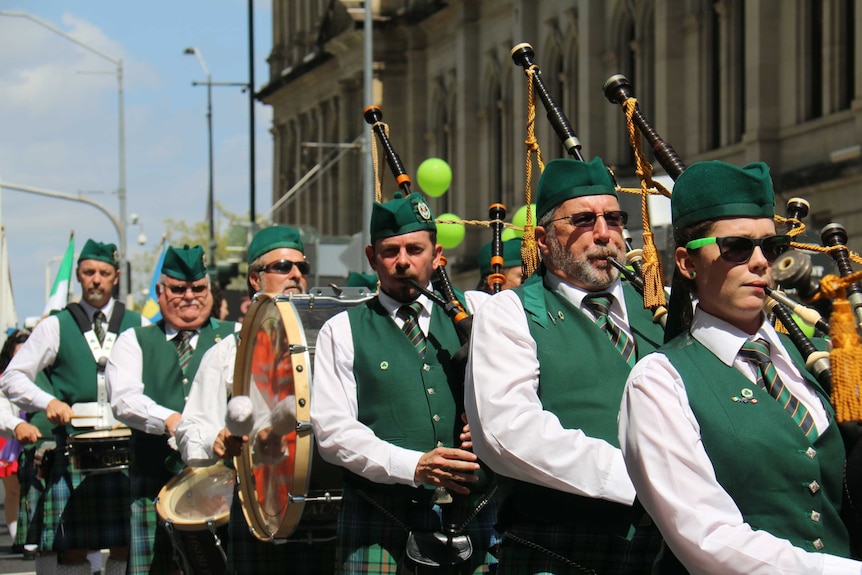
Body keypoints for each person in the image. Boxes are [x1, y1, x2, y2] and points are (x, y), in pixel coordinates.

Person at [617, 160, 862, 573]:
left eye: (771, 247)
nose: (761, 262)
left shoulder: (823, 360)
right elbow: (706, 537)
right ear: (686, 262)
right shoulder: (659, 381)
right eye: (736, 247)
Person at [464, 157, 666, 574]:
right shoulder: (511, 313)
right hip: (562, 545)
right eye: (583, 220)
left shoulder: (660, 308)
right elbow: (507, 433)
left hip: (673, 543)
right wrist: (642, 482)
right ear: (542, 238)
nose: (603, 233)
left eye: (613, 218)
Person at [312, 191, 498, 574]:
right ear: (371, 257)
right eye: (389, 251)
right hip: (379, 517)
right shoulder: (342, 330)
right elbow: (332, 431)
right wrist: (413, 465)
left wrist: (489, 427)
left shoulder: (481, 313)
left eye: (414, 249)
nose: (402, 262)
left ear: (437, 255)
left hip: (473, 512)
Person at [175, 225, 336, 573]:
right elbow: (189, 431)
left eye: (301, 268)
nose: (295, 274)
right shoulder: (229, 353)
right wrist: (215, 441)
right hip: (261, 510)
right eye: (281, 266)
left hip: (331, 508)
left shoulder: (332, 341)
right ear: (254, 279)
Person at [1, 239, 145, 575]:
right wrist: (46, 401)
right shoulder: (56, 325)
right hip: (74, 452)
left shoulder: (139, 324)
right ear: (79, 276)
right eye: (89, 272)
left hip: (129, 448)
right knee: (72, 546)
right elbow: (12, 377)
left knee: (127, 543)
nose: (96, 279)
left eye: (104, 273)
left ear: (116, 276)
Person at [106, 244, 237, 575]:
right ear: (161, 292)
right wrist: (169, 419)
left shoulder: (235, 335)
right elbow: (123, 398)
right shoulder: (134, 340)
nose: (190, 296)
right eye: (179, 289)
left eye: (198, 288)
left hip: (224, 485)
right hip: (154, 483)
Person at [0, 329, 43, 548]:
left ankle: (33, 535)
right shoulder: (3, 380)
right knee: (13, 488)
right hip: (9, 437)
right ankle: (18, 534)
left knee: (35, 485)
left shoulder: (44, 376)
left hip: (37, 437)